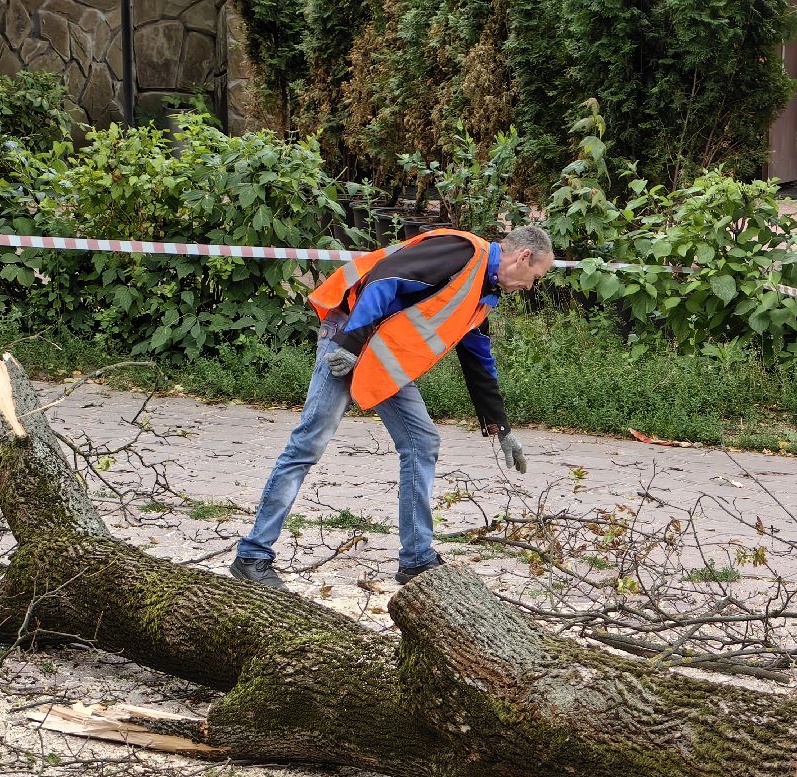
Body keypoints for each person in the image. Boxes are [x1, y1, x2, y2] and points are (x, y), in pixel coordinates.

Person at [230, 223, 554, 591]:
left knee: (422, 442)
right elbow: (385, 278)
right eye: (535, 277)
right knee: (309, 443)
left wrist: (501, 426)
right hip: (348, 336)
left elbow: (479, 360)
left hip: (379, 355)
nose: (530, 287)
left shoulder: (483, 291)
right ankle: (252, 556)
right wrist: (350, 344)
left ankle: (417, 560)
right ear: (523, 257)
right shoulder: (463, 252)